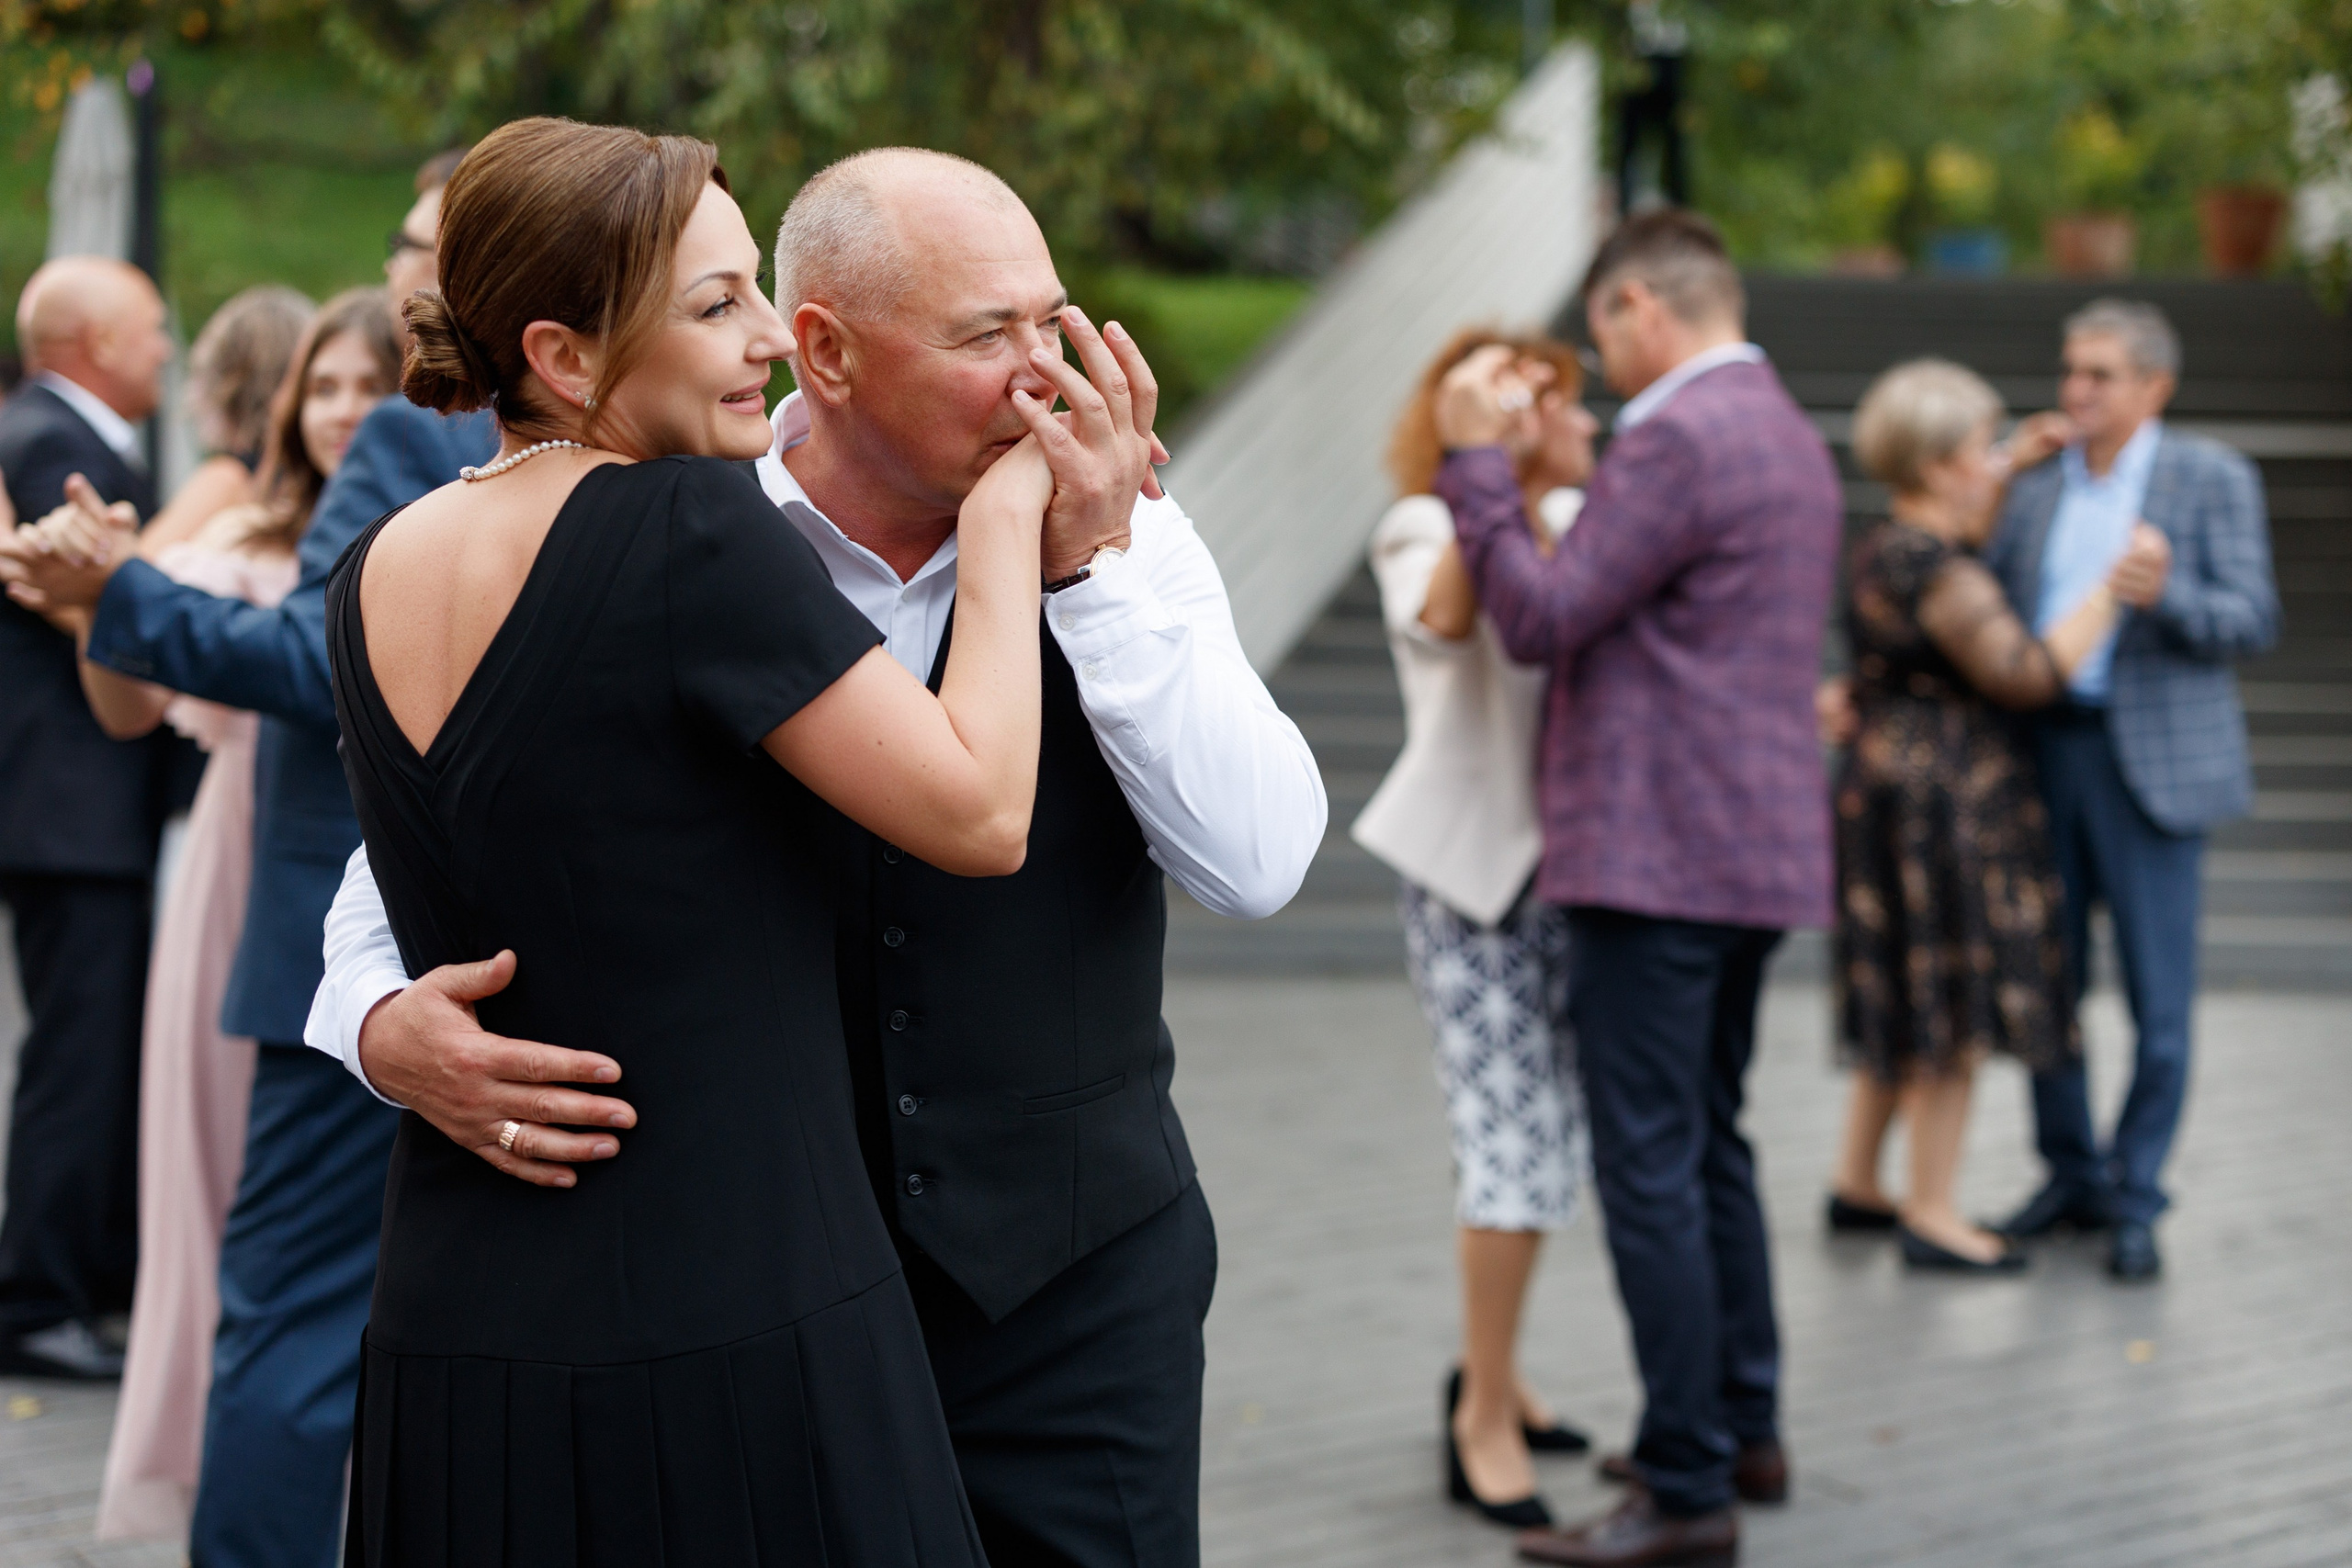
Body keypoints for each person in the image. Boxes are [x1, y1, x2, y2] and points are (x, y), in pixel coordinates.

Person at [311, 145, 1325, 1568]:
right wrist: (373, 1020)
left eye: (1056, 320)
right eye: (990, 336)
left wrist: (1088, 574)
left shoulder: (1125, 528)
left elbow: (1261, 861)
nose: (1048, 376)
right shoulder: (681, 518)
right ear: (832, 351)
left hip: (1066, 1289)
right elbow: (420, 862)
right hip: (753, 1296)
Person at [0, 153, 483, 1568]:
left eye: (418, 244)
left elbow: (311, 657)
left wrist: (113, 591)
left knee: (290, 1312)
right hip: (427, 935)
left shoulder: (418, 436)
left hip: (342, 943)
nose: (396, 270)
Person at [1433, 209, 1842, 1568]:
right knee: (1712, 1142)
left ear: (1640, 311)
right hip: (1753, 852)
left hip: (1655, 855)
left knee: (1652, 1164)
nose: (1600, 362)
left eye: (1603, 329)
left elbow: (1544, 614)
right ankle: (1742, 1426)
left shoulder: (1675, 433)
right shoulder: (1786, 427)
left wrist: (1475, 466)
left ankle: (1685, 1487)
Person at [64, 289, 395, 1543]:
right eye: (323, 384)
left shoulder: (438, 479)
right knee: (259, 1266)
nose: (349, 407)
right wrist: (107, 590)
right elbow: (133, 691)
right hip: (267, 898)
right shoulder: (251, 521)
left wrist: (117, 589)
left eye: (369, 382)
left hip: (340, 912)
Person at [1353, 328, 1599, 1529]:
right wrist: (1476, 464)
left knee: (1539, 1148)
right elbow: (1451, 622)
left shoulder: (1591, 513)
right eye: (1508, 386)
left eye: (1550, 389)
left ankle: (1499, 1371)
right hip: (1474, 874)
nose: (1534, 405)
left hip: (1585, 874)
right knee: (1513, 1154)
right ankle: (1482, 1416)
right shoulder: (1425, 523)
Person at [1984, 299, 2279, 1282]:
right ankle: (2069, 1174)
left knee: (2160, 1002)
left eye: (2100, 374)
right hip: (2043, 756)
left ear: (2154, 387)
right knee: (2046, 987)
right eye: (2071, 369)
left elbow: (2251, 617)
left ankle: (2137, 1191)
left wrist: (2172, 597)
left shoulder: (2208, 477)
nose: (2076, 390)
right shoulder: (2032, 483)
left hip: (2153, 765)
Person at [1824, 359, 2126, 1276]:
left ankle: (1857, 1182)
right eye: (1980, 448)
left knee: (1897, 995)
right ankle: (1932, 1209)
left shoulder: (1880, 546)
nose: (1992, 459)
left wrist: (2015, 464)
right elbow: (2023, 672)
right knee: (1944, 1009)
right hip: (1941, 810)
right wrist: (2110, 590)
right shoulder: (1939, 568)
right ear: (1940, 463)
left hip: (1879, 792)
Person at [0, 254, 173, 1381]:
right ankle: (35, 1302)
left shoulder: (36, 433)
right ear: (95, 344)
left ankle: (88, 1276)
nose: (165, 347)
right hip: (71, 806)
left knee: (97, 1049)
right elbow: (98, 602)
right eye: (152, 329)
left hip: (76, 807)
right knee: (80, 1054)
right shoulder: (52, 445)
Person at [139, 284, 313, 555]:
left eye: (200, 374)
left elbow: (132, 576)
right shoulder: (310, 485)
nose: (190, 399)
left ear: (231, 384)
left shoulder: (228, 479)